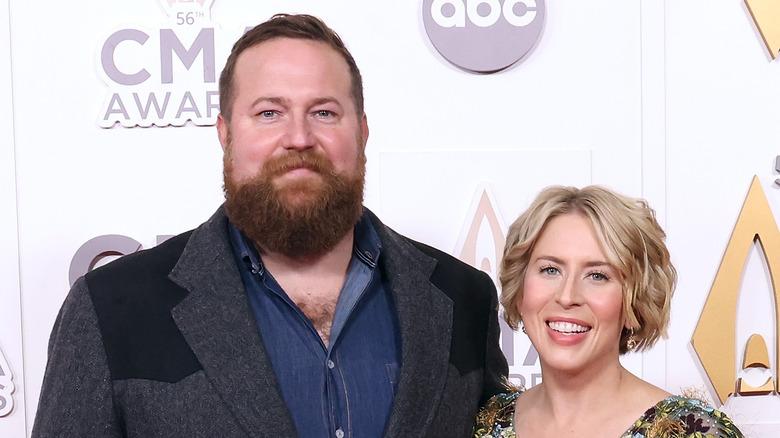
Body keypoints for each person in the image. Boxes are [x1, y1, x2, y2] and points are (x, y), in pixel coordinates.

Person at [32, 13, 507, 438]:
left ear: (361, 132)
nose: (298, 138)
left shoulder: (462, 298)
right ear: (226, 134)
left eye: (324, 112)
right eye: (268, 113)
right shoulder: (112, 307)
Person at [473, 186, 744, 438]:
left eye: (597, 276)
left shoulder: (691, 431)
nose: (567, 296)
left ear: (634, 303)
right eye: (550, 270)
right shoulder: (484, 423)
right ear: (520, 292)